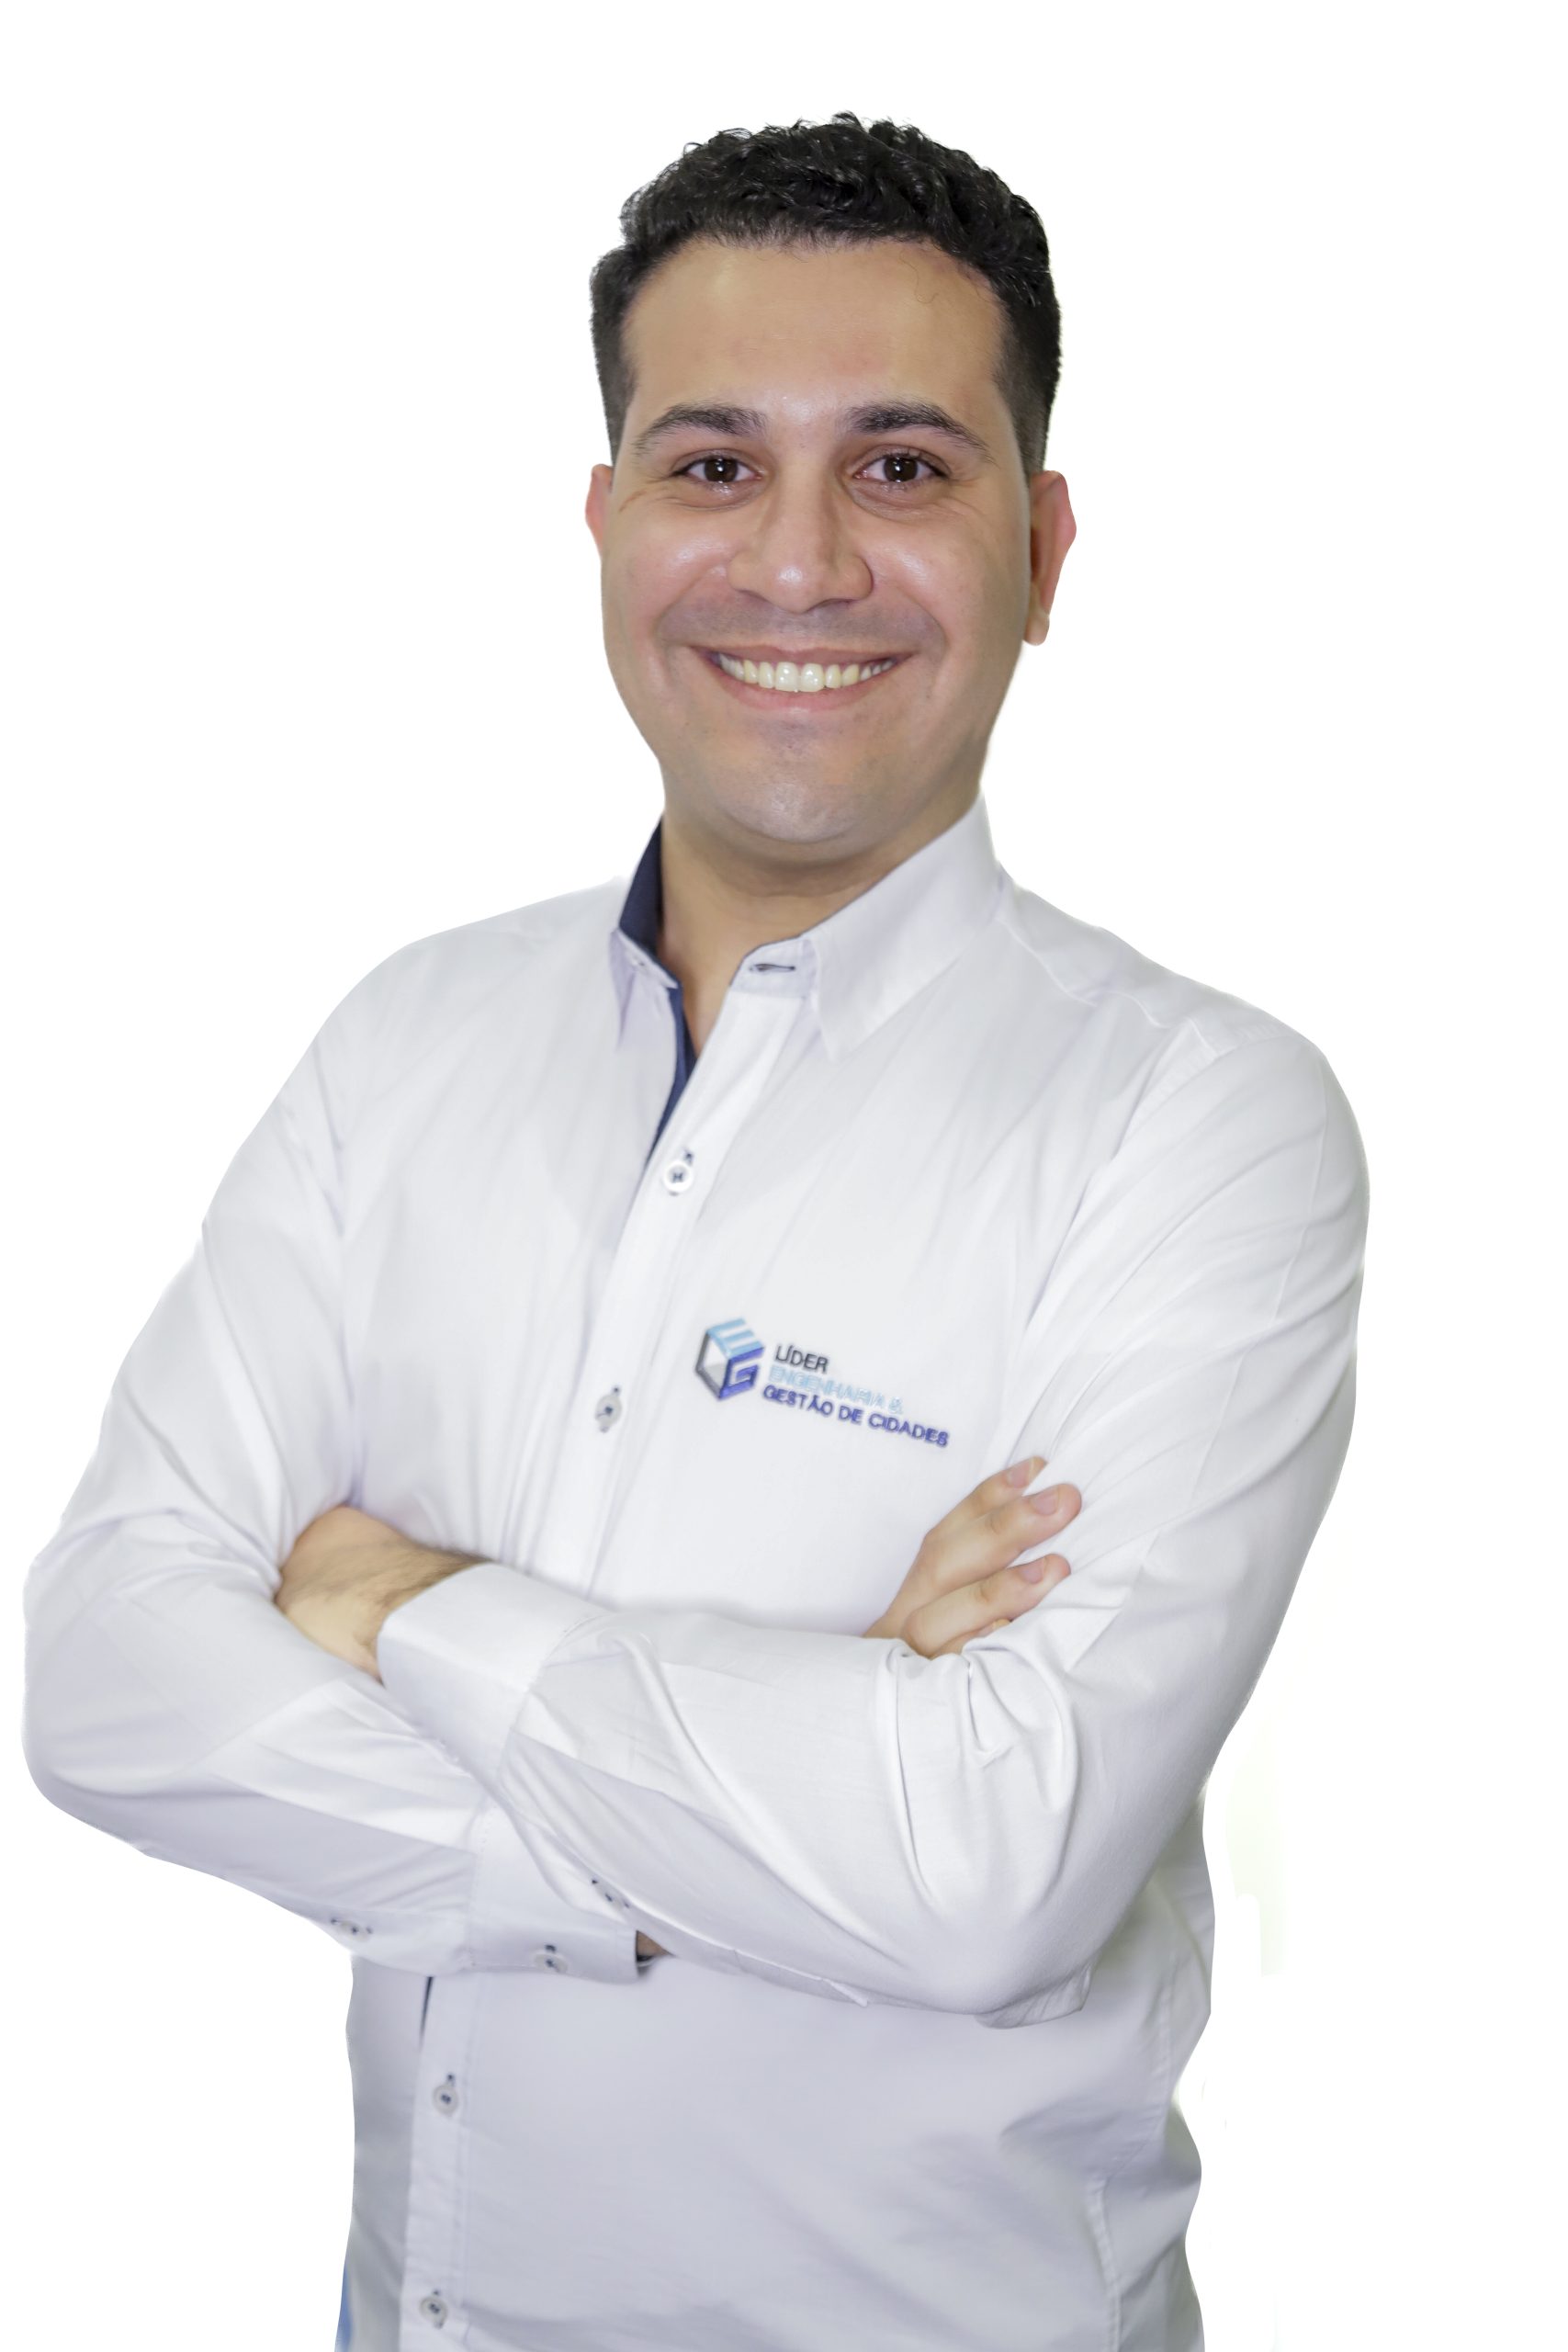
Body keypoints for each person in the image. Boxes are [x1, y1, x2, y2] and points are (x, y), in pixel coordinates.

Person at [21, 111, 1368, 2352]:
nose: (799, 561)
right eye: (714, 463)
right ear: (606, 523)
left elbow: (985, 1876)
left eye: (901, 467)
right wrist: (776, 1785)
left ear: (1041, 547)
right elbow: (98, 1677)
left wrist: (396, 1602)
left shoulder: (1198, 1121)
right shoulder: (407, 1042)